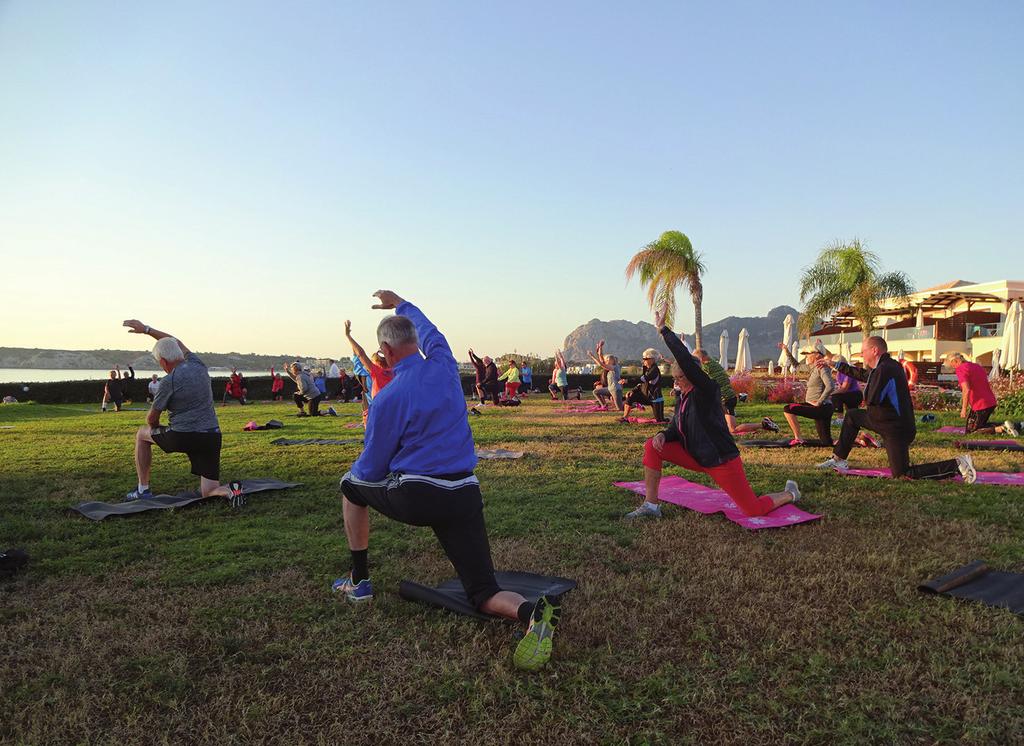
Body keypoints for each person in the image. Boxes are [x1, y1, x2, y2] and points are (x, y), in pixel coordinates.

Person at [333, 290, 562, 671]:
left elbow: (370, 468)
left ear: (386, 353)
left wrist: (371, 472)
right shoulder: (442, 364)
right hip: (465, 493)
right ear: (415, 343)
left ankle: (359, 582)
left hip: (419, 495)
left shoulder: (388, 397)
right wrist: (402, 303)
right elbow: (430, 329)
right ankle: (530, 613)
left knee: (349, 485)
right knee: (483, 592)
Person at [625, 307, 801, 520]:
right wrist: (664, 434)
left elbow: (687, 363)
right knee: (652, 445)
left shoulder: (707, 390)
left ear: (693, 375)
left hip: (721, 460)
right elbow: (677, 425)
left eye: (680, 377)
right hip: (695, 455)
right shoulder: (683, 396)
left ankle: (790, 493)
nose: (677, 381)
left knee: (753, 509)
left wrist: (664, 330)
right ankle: (651, 506)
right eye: (675, 378)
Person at [815, 337, 977, 482]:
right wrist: (835, 364)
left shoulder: (886, 369)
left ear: (874, 350)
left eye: (863, 351)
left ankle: (957, 464)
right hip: (882, 420)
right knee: (852, 416)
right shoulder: (884, 366)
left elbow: (872, 398)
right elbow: (864, 374)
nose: (861, 354)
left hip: (896, 428)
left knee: (902, 473)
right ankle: (839, 459)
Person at [120, 319, 243, 505]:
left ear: (162, 362)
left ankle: (142, 490)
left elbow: (152, 417)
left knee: (141, 435)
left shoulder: (168, 381)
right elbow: (175, 341)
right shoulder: (199, 365)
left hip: (183, 436)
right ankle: (229, 492)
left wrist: (155, 427)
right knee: (209, 491)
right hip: (211, 437)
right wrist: (147, 330)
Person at [695, 349, 778, 435]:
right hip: (727, 397)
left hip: (726, 399)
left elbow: (696, 375)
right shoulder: (714, 364)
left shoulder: (706, 367)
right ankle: (750, 431)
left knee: (733, 429)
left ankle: (764, 424)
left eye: (696, 359)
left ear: (701, 359)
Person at [778, 342, 835, 446]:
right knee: (826, 442)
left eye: (808, 354)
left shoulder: (822, 368)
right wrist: (786, 351)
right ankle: (859, 439)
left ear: (817, 355)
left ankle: (798, 438)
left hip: (822, 407)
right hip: (823, 408)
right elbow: (797, 366)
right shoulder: (812, 367)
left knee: (788, 409)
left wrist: (819, 402)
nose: (806, 356)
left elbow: (831, 386)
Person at [946, 352, 1016, 435]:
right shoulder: (976, 366)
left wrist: (963, 409)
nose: (952, 367)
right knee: (979, 425)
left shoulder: (960, 369)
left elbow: (966, 389)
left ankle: (1002, 428)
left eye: (952, 364)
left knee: (972, 431)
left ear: (956, 361)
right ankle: (1015, 426)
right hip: (990, 401)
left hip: (980, 405)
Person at [346, 320, 395, 426]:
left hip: (378, 413)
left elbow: (360, 354)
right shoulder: (398, 371)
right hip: (395, 413)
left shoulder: (377, 373)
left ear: (376, 363)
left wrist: (348, 336)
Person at [620, 348, 666, 422]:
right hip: (646, 396)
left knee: (660, 420)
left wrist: (627, 381)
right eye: (643, 358)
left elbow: (641, 380)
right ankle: (624, 418)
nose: (643, 360)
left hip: (655, 398)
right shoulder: (647, 369)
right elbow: (641, 384)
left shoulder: (654, 370)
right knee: (630, 397)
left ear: (652, 360)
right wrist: (633, 390)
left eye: (645, 359)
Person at [589, 341, 623, 411]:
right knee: (596, 391)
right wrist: (600, 348)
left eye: (607, 359)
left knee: (620, 409)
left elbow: (601, 362)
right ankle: (604, 406)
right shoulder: (610, 366)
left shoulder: (614, 367)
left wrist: (592, 356)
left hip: (615, 389)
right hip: (609, 388)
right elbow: (601, 357)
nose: (605, 360)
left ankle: (635, 405)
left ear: (611, 361)